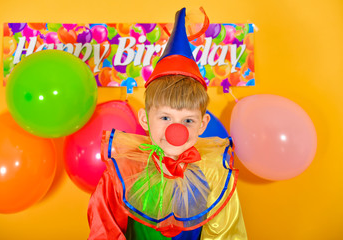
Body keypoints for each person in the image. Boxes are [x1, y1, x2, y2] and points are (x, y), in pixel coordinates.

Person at [88, 8, 247, 240]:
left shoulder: (215, 175)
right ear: (145, 119)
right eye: (165, 118)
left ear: (202, 125)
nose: (176, 130)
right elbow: (105, 231)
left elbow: (226, 235)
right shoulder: (123, 173)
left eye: (188, 120)